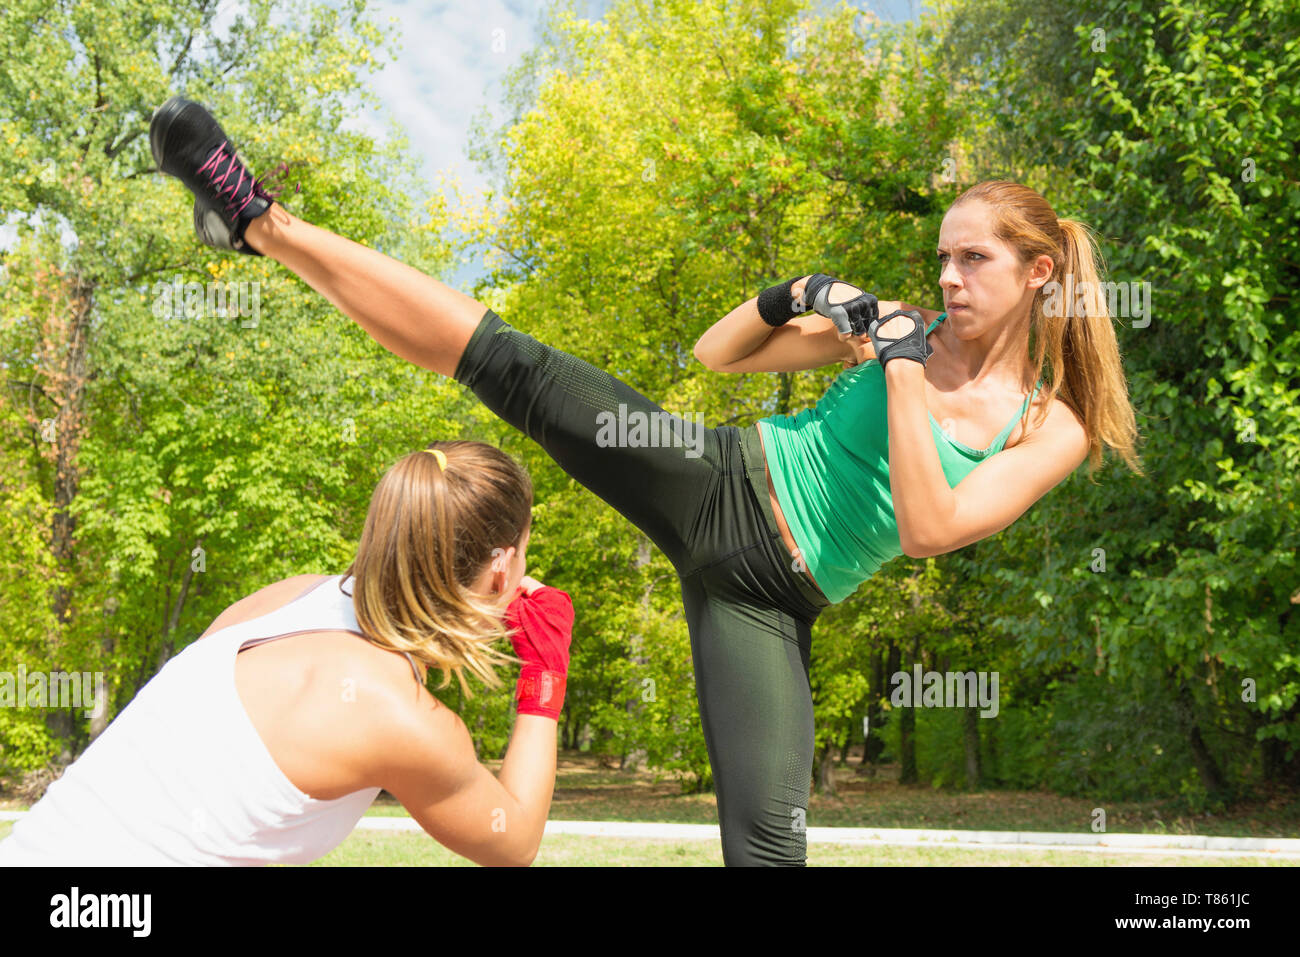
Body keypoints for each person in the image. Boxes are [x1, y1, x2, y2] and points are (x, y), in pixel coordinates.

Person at [134, 98, 1140, 866]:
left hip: (770, 599)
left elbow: (927, 526)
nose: (951, 278)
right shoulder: (900, 331)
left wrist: (902, 360)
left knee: (770, 846)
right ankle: (259, 219)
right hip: (716, 483)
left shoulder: (1052, 426)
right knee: (506, 362)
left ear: (1039, 273)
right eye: (943, 259)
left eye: (974, 261)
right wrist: (805, 294)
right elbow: (720, 357)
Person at [0, 441, 575, 866]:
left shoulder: (289, 597)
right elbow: (515, 839)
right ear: (502, 569)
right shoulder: (401, 716)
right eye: (523, 553)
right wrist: (544, 674)